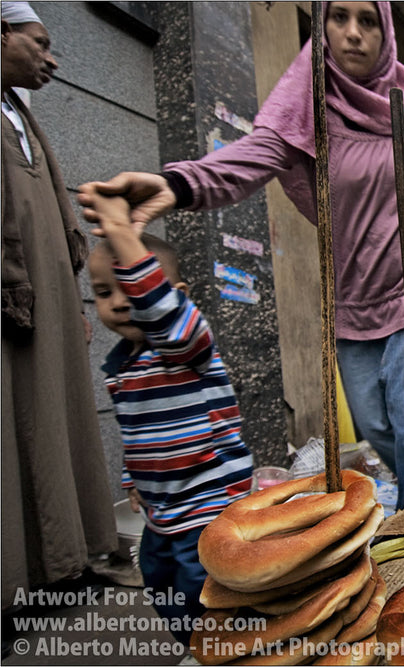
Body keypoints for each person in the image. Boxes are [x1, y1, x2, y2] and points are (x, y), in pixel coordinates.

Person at [78, 1, 404, 510]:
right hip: (354, 292)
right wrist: (175, 184)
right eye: (339, 17)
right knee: (378, 425)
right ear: (323, 25)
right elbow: (250, 158)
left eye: (368, 21)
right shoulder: (307, 100)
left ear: (385, 30)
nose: (353, 33)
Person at [85, 187, 254, 646]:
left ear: (175, 297)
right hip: (161, 510)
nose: (120, 302)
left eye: (132, 288)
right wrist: (131, 481)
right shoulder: (122, 366)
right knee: (162, 587)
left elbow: (165, 317)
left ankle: (229, 650)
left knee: (208, 597)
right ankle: (198, 647)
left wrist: (121, 232)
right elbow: (138, 433)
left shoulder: (187, 344)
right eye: (103, 292)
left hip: (208, 503)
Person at [1, 2, 117, 612]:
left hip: (42, 306)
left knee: (56, 430)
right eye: (39, 42)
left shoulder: (18, 112)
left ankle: (61, 571)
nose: (51, 57)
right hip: (11, 308)